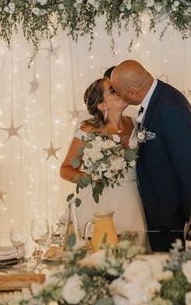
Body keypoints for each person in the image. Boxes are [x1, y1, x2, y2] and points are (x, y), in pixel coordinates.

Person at [110, 60, 191, 251]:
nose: (118, 96)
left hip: (174, 219)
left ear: (133, 91)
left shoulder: (169, 108)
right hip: (164, 213)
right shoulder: (158, 99)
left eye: (119, 92)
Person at [60, 77, 148, 239]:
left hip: (132, 201)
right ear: (102, 105)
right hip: (100, 202)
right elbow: (65, 170)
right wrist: (92, 177)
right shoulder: (88, 130)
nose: (121, 91)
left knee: (134, 251)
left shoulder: (135, 124)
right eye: (113, 91)